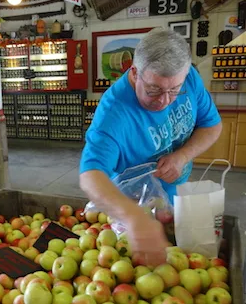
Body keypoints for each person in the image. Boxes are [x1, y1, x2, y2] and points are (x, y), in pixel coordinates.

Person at [79, 28, 222, 266]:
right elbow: (90, 175)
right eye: (154, 90)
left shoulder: (189, 79)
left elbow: (212, 126)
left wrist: (182, 156)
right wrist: (135, 219)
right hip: (130, 213)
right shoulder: (114, 114)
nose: (165, 101)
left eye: (174, 90)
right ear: (135, 73)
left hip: (174, 199)